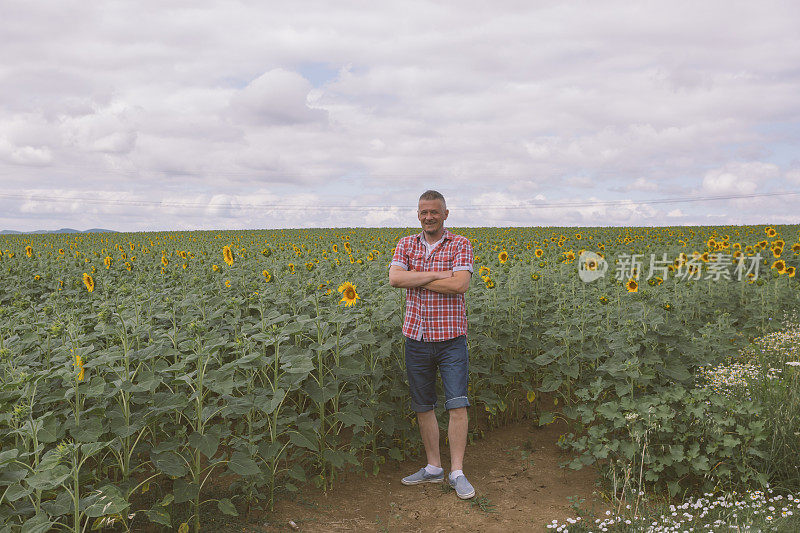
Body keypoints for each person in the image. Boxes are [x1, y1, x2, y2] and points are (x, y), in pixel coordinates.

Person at [388, 190, 475, 499]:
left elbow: (460, 284)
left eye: (434, 212)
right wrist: (439, 274)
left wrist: (418, 276)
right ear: (418, 214)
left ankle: (457, 472)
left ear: (445, 214)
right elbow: (395, 279)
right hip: (417, 337)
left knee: (457, 404)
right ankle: (434, 468)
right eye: (424, 212)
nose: (428, 216)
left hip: (451, 338)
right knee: (423, 405)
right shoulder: (406, 243)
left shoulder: (461, 244)